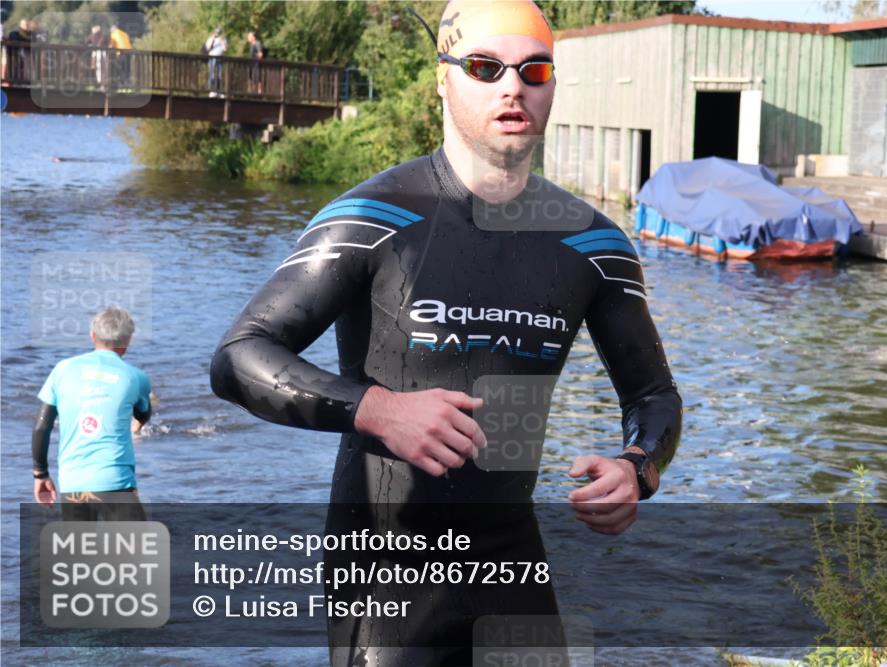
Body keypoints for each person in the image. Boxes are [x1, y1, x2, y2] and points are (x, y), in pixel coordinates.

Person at [210, 1, 682, 663]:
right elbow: (238, 356)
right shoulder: (373, 216)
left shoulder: (594, 244)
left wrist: (639, 467)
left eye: (534, 70)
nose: (512, 86)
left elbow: (655, 395)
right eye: (485, 68)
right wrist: (378, 409)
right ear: (443, 80)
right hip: (387, 579)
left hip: (511, 567)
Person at [33, 307, 152, 521]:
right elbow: (143, 413)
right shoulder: (136, 377)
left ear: (92, 335)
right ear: (128, 340)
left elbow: (42, 426)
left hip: (73, 483)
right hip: (115, 481)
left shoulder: (62, 370)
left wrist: (40, 473)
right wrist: (138, 423)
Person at [108, 23, 132, 88]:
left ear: (112, 30)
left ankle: (122, 84)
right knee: (127, 68)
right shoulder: (123, 33)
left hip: (122, 52)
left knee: (121, 68)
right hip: (129, 51)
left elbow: (112, 45)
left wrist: (109, 47)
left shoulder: (113, 34)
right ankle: (127, 84)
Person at [204, 28, 227, 97]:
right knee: (212, 74)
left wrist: (222, 41)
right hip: (212, 58)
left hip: (220, 59)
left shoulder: (223, 39)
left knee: (219, 75)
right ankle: (212, 91)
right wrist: (213, 39)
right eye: (216, 32)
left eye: (219, 32)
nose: (218, 34)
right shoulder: (210, 39)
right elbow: (208, 48)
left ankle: (218, 91)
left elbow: (225, 49)